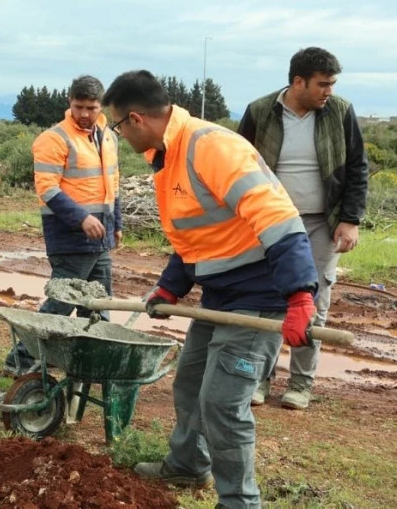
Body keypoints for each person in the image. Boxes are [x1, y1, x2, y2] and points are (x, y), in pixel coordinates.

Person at [101, 70, 318, 509]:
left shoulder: (211, 147)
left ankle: (239, 501)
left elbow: (279, 219)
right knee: (190, 385)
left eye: (117, 126)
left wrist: (299, 296)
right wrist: (169, 288)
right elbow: (194, 235)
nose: (118, 135)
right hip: (219, 296)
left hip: (260, 295)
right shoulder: (167, 156)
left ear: (137, 119)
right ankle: (187, 465)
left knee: (222, 402)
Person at [238, 47, 368, 410]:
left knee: (313, 301)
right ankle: (258, 381)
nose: (329, 91)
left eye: (332, 84)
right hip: (270, 222)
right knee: (266, 299)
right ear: (298, 82)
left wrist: (351, 218)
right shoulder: (260, 111)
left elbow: (357, 168)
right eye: (323, 84)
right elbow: (237, 166)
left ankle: (300, 384)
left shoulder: (340, 112)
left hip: (321, 223)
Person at [4, 75, 122, 374]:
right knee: (60, 303)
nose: (84, 114)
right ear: (69, 103)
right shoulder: (53, 138)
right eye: (79, 106)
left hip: (101, 238)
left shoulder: (108, 137)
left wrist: (115, 223)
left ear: (101, 106)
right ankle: (20, 359)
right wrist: (82, 218)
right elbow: (47, 189)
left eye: (91, 107)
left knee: (97, 305)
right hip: (69, 238)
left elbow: (114, 184)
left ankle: (87, 364)